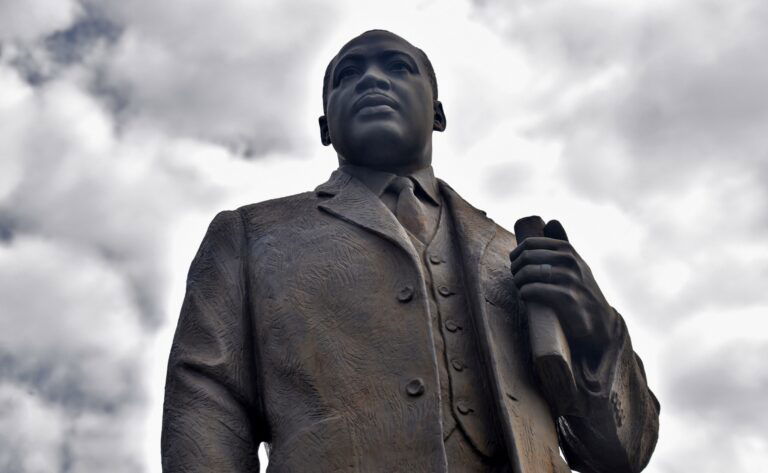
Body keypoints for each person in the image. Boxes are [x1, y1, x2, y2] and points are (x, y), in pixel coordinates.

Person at [161, 29, 659, 472]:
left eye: (398, 67)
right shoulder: (250, 234)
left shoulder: (513, 253)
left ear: (438, 114)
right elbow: (205, 405)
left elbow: (619, 457)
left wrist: (596, 333)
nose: (372, 80)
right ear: (324, 127)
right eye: (348, 75)